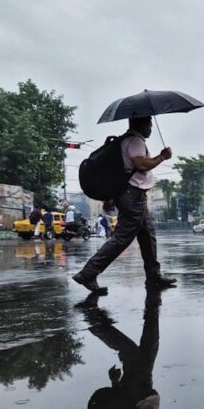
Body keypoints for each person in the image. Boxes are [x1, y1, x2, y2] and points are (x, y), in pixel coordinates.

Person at [72, 117, 176, 295]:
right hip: (133, 196)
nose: (151, 127)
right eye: (149, 124)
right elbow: (141, 165)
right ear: (142, 124)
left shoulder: (124, 140)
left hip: (134, 196)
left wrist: (113, 195)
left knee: (148, 236)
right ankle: (88, 273)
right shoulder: (135, 141)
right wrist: (162, 157)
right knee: (122, 238)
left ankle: (154, 276)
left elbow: (120, 172)